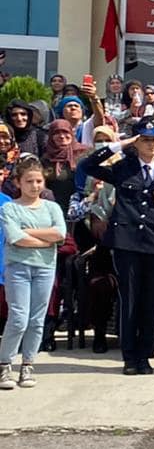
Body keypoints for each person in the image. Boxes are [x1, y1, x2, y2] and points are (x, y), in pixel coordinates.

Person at [81, 120, 154, 375]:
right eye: (145, 139)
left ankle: (145, 355)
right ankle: (129, 356)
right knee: (130, 299)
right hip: (127, 242)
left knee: (150, 300)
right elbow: (87, 165)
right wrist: (119, 144)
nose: (151, 144)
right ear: (136, 143)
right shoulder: (123, 167)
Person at [0, 157, 66, 390]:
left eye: (39, 181)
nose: (35, 186)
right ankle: (5, 363)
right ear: (18, 182)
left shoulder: (52, 207)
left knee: (37, 320)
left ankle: (28, 364)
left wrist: (30, 233)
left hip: (45, 268)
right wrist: (45, 241)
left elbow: (60, 234)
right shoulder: (9, 208)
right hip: (18, 267)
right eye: (29, 181)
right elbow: (15, 237)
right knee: (18, 318)